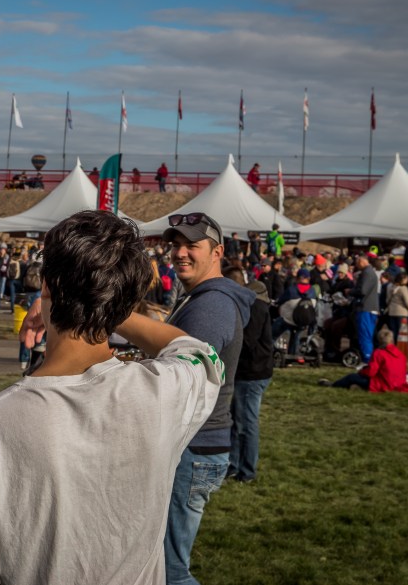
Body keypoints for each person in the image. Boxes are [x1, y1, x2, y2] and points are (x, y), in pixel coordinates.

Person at [0, 210, 224, 584]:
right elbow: (199, 352)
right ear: (124, 302)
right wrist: (110, 305)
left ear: (47, 287)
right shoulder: (162, 392)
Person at [162, 211, 254, 585]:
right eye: (176, 244)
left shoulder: (211, 304)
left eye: (192, 245)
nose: (180, 252)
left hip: (194, 446)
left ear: (217, 252)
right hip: (197, 445)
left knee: (169, 571)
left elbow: (181, 378)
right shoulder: (201, 298)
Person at [225, 270, 273, 484]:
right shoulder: (253, 304)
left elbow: (247, 341)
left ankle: (247, 470)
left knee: (246, 423)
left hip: (252, 372)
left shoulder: (254, 306)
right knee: (238, 421)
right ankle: (234, 466)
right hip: (250, 370)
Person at [318, 329, 408, 392]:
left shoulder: (379, 353)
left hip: (383, 384)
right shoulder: (401, 354)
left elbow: (371, 372)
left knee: (351, 377)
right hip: (399, 383)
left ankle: (333, 385)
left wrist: (362, 371)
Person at [351, 255, 380, 363]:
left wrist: (351, 291)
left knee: (365, 335)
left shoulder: (367, 273)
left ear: (362, 262)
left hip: (365, 308)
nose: (356, 265)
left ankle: (367, 359)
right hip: (370, 308)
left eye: (357, 262)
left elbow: (363, 290)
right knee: (368, 335)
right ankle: (369, 357)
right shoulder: (370, 272)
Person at [386, 272, 408, 339]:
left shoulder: (390, 287)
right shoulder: (404, 288)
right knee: (401, 333)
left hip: (392, 312)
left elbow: (387, 300)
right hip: (402, 312)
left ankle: (393, 343)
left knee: (393, 331)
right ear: (403, 279)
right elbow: (407, 301)